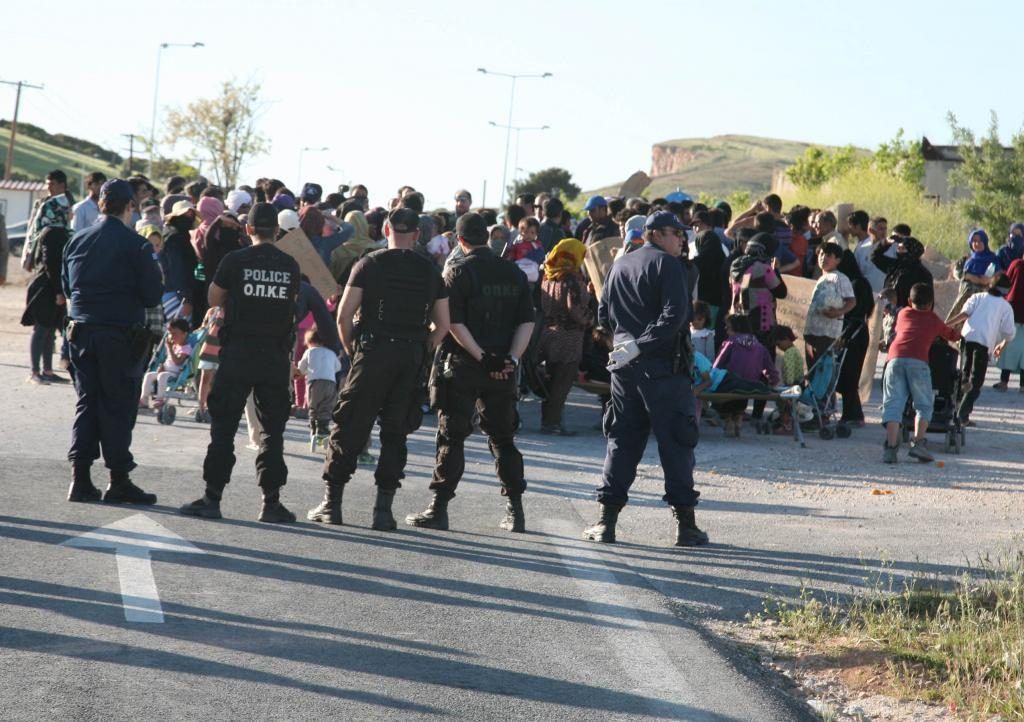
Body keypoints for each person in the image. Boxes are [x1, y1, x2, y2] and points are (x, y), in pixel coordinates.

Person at [309, 208, 449, 530]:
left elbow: (344, 316)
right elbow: (442, 325)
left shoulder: (369, 264)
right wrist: (421, 347)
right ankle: (383, 511)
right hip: (410, 354)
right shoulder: (430, 271)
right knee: (395, 432)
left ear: (386, 229)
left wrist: (352, 349)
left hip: (372, 353)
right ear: (417, 235)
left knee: (350, 426)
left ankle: (333, 505)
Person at [581, 210, 708, 547]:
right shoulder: (668, 266)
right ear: (655, 234)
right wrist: (642, 345)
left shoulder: (619, 266)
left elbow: (603, 316)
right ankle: (686, 527)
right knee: (677, 443)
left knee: (622, 441)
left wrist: (625, 345)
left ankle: (605, 523)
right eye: (676, 234)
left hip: (625, 369)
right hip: (663, 368)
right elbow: (674, 317)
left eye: (683, 234)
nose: (682, 239)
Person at [405, 212, 533, 532]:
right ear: (487, 239)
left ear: (460, 241)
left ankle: (439, 508)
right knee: (503, 438)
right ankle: (515, 510)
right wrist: (511, 360)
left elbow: (453, 322)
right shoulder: (513, 272)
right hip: (502, 368)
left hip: (463, 365)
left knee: (452, 437)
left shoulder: (457, 271)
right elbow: (527, 320)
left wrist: (481, 356)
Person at [179, 203, 301, 523]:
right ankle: (271, 502)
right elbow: (292, 307)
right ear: (276, 231)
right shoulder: (290, 265)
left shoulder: (235, 260)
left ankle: (212, 498)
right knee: (272, 431)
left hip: (238, 354)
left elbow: (214, 298)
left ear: (248, 230)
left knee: (224, 428)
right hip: (274, 356)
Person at [62, 179, 162, 504]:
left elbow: (67, 288)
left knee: (87, 402)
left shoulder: (76, 240)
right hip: (118, 334)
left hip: (80, 333)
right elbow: (152, 295)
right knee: (117, 406)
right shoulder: (137, 245)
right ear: (130, 206)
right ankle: (118, 479)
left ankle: (80, 478)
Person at [880, 283, 961, 463]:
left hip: (894, 360)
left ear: (909, 301)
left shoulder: (902, 314)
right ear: (931, 303)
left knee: (893, 404)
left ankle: (891, 449)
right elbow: (952, 335)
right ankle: (918, 444)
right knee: (923, 405)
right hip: (918, 362)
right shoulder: (933, 319)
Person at [538, 237, 592, 436]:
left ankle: (549, 420)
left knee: (552, 380)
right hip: (568, 337)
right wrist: (592, 319)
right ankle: (552, 423)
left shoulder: (548, 275)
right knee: (562, 382)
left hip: (548, 333)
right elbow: (575, 309)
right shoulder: (571, 278)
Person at [946, 273, 1015, 424]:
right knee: (976, 380)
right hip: (983, 344)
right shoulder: (1005, 306)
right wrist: (1002, 345)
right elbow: (1009, 332)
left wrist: (946, 325)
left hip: (967, 339)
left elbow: (964, 314)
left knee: (965, 375)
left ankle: (959, 410)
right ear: (1006, 291)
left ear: (990, 285)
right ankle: (962, 414)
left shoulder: (977, 297)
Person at [713, 314, 780, 437]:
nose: (726, 330)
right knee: (744, 389)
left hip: (731, 384)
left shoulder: (730, 342)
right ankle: (738, 418)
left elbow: (718, 363)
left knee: (727, 390)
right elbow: (770, 369)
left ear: (735, 328)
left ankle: (729, 421)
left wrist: (711, 376)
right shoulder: (760, 346)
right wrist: (774, 381)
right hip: (750, 385)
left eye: (727, 328)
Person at [21, 226, 71, 384]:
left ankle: (47, 371)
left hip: (51, 288)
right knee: (41, 329)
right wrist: (58, 291)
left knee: (50, 331)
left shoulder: (56, 231)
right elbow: (51, 263)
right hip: (45, 289)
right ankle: (34, 372)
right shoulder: (53, 233)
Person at [835, 249, 876, 426]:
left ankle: (852, 414)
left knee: (848, 375)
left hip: (854, 332)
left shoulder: (856, 284)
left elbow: (858, 311)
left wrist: (845, 334)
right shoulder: (860, 282)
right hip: (856, 331)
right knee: (846, 375)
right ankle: (853, 413)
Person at [803, 242, 856, 368]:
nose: (823, 258)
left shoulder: (839, 278)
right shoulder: (822, 278)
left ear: (837, 260)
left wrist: (838, 312)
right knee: (812, 372)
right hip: (812, 332)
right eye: (821, 254)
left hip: (826, 335)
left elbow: (852, 301)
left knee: (821, 373)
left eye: (828, 255)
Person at [297, 327, 342, 449]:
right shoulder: (331, 353)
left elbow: (301, 368)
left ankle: (314, 431)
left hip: (315, 383)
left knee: (313, 407)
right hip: (331, 383)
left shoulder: (309, 352)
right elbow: (338, 367)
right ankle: (323, 429)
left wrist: (305, 372)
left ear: (309, 341)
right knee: (326, 407)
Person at [24, 170, 73, 272]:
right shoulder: (41, 203)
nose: (48, 187)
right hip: (41, 248)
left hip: (62, 247)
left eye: (52, 184)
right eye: (47, 184)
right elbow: (33, 227)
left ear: (62, 185)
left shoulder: (71, 204)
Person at [160, 200, 199, 322]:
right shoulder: (175, 238)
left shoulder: (175, 235)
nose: (189, 218)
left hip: (174, 292)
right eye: (185, 215)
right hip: (176, 295)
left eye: (191, 215)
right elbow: (177, 269)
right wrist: (185, 298)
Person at [140, 319, 193, 408]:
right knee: (148, 375)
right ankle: (144, 399)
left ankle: (160, 399)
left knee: (162, 376)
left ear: (184, 334)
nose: (172, 337)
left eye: (175, 334)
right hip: (165, 370)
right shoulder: (173, 345)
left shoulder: (186, 348)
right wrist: (162, 366)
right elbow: (166, 360)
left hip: (175, 374)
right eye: (170, 334)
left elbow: (177, 362)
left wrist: (170, 348)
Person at [872, 235, 932, 308]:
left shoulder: (922, 273)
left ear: (911, 251)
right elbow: (875, 257)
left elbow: (927, 300)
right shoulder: (895, 266)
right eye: (898, 248)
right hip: (888, 312)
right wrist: (885, 243)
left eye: (902, 248)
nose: (898, 251)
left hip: (907, 314)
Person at [994, 257, 1024, 392]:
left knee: (1008, 346)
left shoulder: (1016, 264)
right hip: (1015, 312)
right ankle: (1023, 385)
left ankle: (1004, 381)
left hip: (1013, 311)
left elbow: (1006, 283)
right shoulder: (1017, 264)